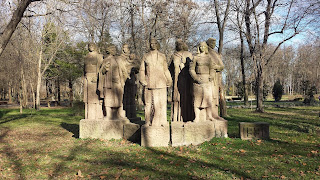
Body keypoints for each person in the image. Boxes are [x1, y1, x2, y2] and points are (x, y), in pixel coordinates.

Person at [139, 38, 172, 126]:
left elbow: (165, 69)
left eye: (154, 43)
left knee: (161, 103)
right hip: (149, 82)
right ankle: (148, 121)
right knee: (148, 103)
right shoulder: (146, 56)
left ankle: (162, 121)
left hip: (161, 83)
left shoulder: (162, 56)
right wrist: (142, 79)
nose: (152, 45)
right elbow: (142, 70)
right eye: (151, 43)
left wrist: (169, 79)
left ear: (157, 44)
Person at [99, 45, 128, 120]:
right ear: (109, 50)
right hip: (108, 83)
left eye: (115, 49)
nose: (114, 50)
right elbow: (101, 72)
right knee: (108, 98)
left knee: (118, 98)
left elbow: (123, 70)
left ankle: (119, 114)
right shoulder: (106, 60)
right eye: (113, 49)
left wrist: (123, 80)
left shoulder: (118, 60)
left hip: (118, 82)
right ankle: (108, 115)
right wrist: (105, 68)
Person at [189, 42, 215, 122]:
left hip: (207, 80)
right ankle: (196, 117)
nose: (202, 48)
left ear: (206, 47)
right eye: (201, 46)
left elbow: (212, 68)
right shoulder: (195, 57)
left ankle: (209, 116)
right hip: (198, 81)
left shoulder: (209, 58)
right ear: (199, 48)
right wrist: (196, 77)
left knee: (208, 99)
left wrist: (211, 76)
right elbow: (191, 69)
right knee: (197, 100)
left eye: (204, 46)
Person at [170, 39, 194, 122]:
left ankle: (188, 117)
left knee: (188, 97)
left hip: (187, 79)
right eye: (178, 44)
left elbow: (193, 66)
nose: (179, 45)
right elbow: (169, 69)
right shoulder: (174, 56)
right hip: (177, 80)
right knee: (177, 98)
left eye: (181, 44)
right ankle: (177, 118)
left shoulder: (189, 54)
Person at [83, 43, 104, 119]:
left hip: (95, 78)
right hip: (87, 78)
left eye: (92, 46)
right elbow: (84, 69)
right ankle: (89, 116)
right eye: (89, 46)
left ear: (95, 47)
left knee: (95, 98)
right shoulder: (86, 57)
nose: (91, 47)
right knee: (88, 99)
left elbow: (102, 68)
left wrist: (97, 76)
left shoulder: (99, 56)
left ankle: (97, 116)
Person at [206, 38, 224, 119]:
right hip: (206, 77)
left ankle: (215, 114)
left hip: (215, 78)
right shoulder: (206, 52)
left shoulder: (215, 54)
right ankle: (207, 115)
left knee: (214, 97)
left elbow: (222, 66)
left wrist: (216, 67)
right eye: (212, 43)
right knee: (208, 96)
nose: (213, 44)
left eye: (214, 43)